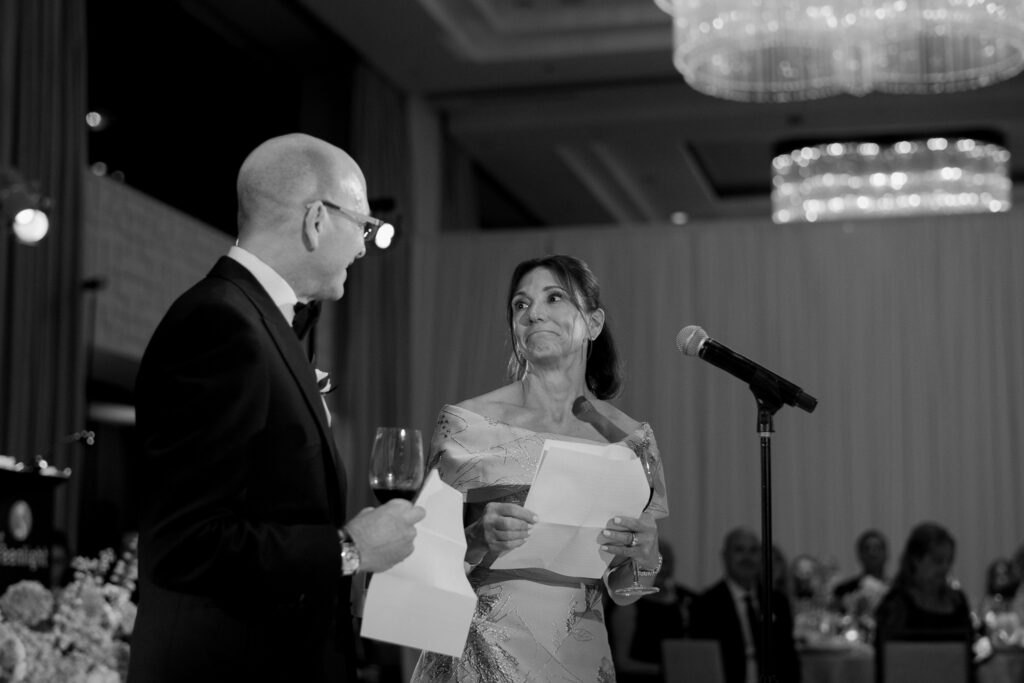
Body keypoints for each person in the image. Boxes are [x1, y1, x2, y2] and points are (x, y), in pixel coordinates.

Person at [129, 133, 426, 682]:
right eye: (361, 226)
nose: (364, 248)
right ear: (316, 219)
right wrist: (348, 548)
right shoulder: (219, 325)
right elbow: (185, 543)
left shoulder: (258, 322)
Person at [410, 254, 669, 681]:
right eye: (520, 304)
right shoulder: (465, 425)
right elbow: (418, 564)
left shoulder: (631, 441)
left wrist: (645, 556)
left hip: (580, 656)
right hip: (479, 650)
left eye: (554, 298)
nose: (534, 313)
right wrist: (476, 537)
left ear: (594, 323)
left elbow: (623, 591)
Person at [690, 527, 802, 683]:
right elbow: (702, 664)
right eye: (739, 550)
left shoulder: (777, 601)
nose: (747, 557)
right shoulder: (706, 605)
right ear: (725, 556)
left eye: (753, 551)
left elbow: (788, 658)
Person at [874, 522, 974, 683]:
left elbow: (970, 656)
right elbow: (889, 663)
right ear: (916, 560)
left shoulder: (957, 601)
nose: (945, 567)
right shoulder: (895, 604)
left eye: (949, 561)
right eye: (938, 560)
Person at [610, 542, 696, 683]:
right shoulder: (628, 603)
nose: (661, 568)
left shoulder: (685, 600)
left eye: (666, 562)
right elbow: (622, 662)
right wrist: (665, 669)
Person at [832, 529, 890, 614]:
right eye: (867, 549)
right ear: (860, 555)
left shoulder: (897, 590)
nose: (872, 553)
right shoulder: (844, 590)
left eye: (878, 548)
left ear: (886, 554)